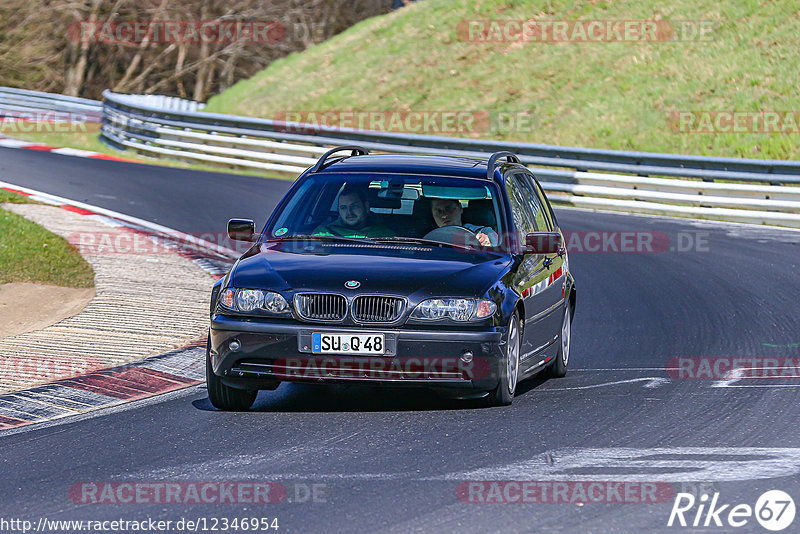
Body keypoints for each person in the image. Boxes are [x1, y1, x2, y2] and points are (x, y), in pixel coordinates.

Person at [312, 185, 394, 238]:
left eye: (354, 206)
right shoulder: (323, 233)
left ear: (366, 207)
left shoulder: (384, 235)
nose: (349, 213)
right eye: (343, 208)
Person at [430, 198, 498, 246]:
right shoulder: (423, 239)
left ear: (460, 208)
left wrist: (487, 246)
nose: (444, 215)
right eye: (438, 211)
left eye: (448, 208)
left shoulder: (486, 232)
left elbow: (499, 260)